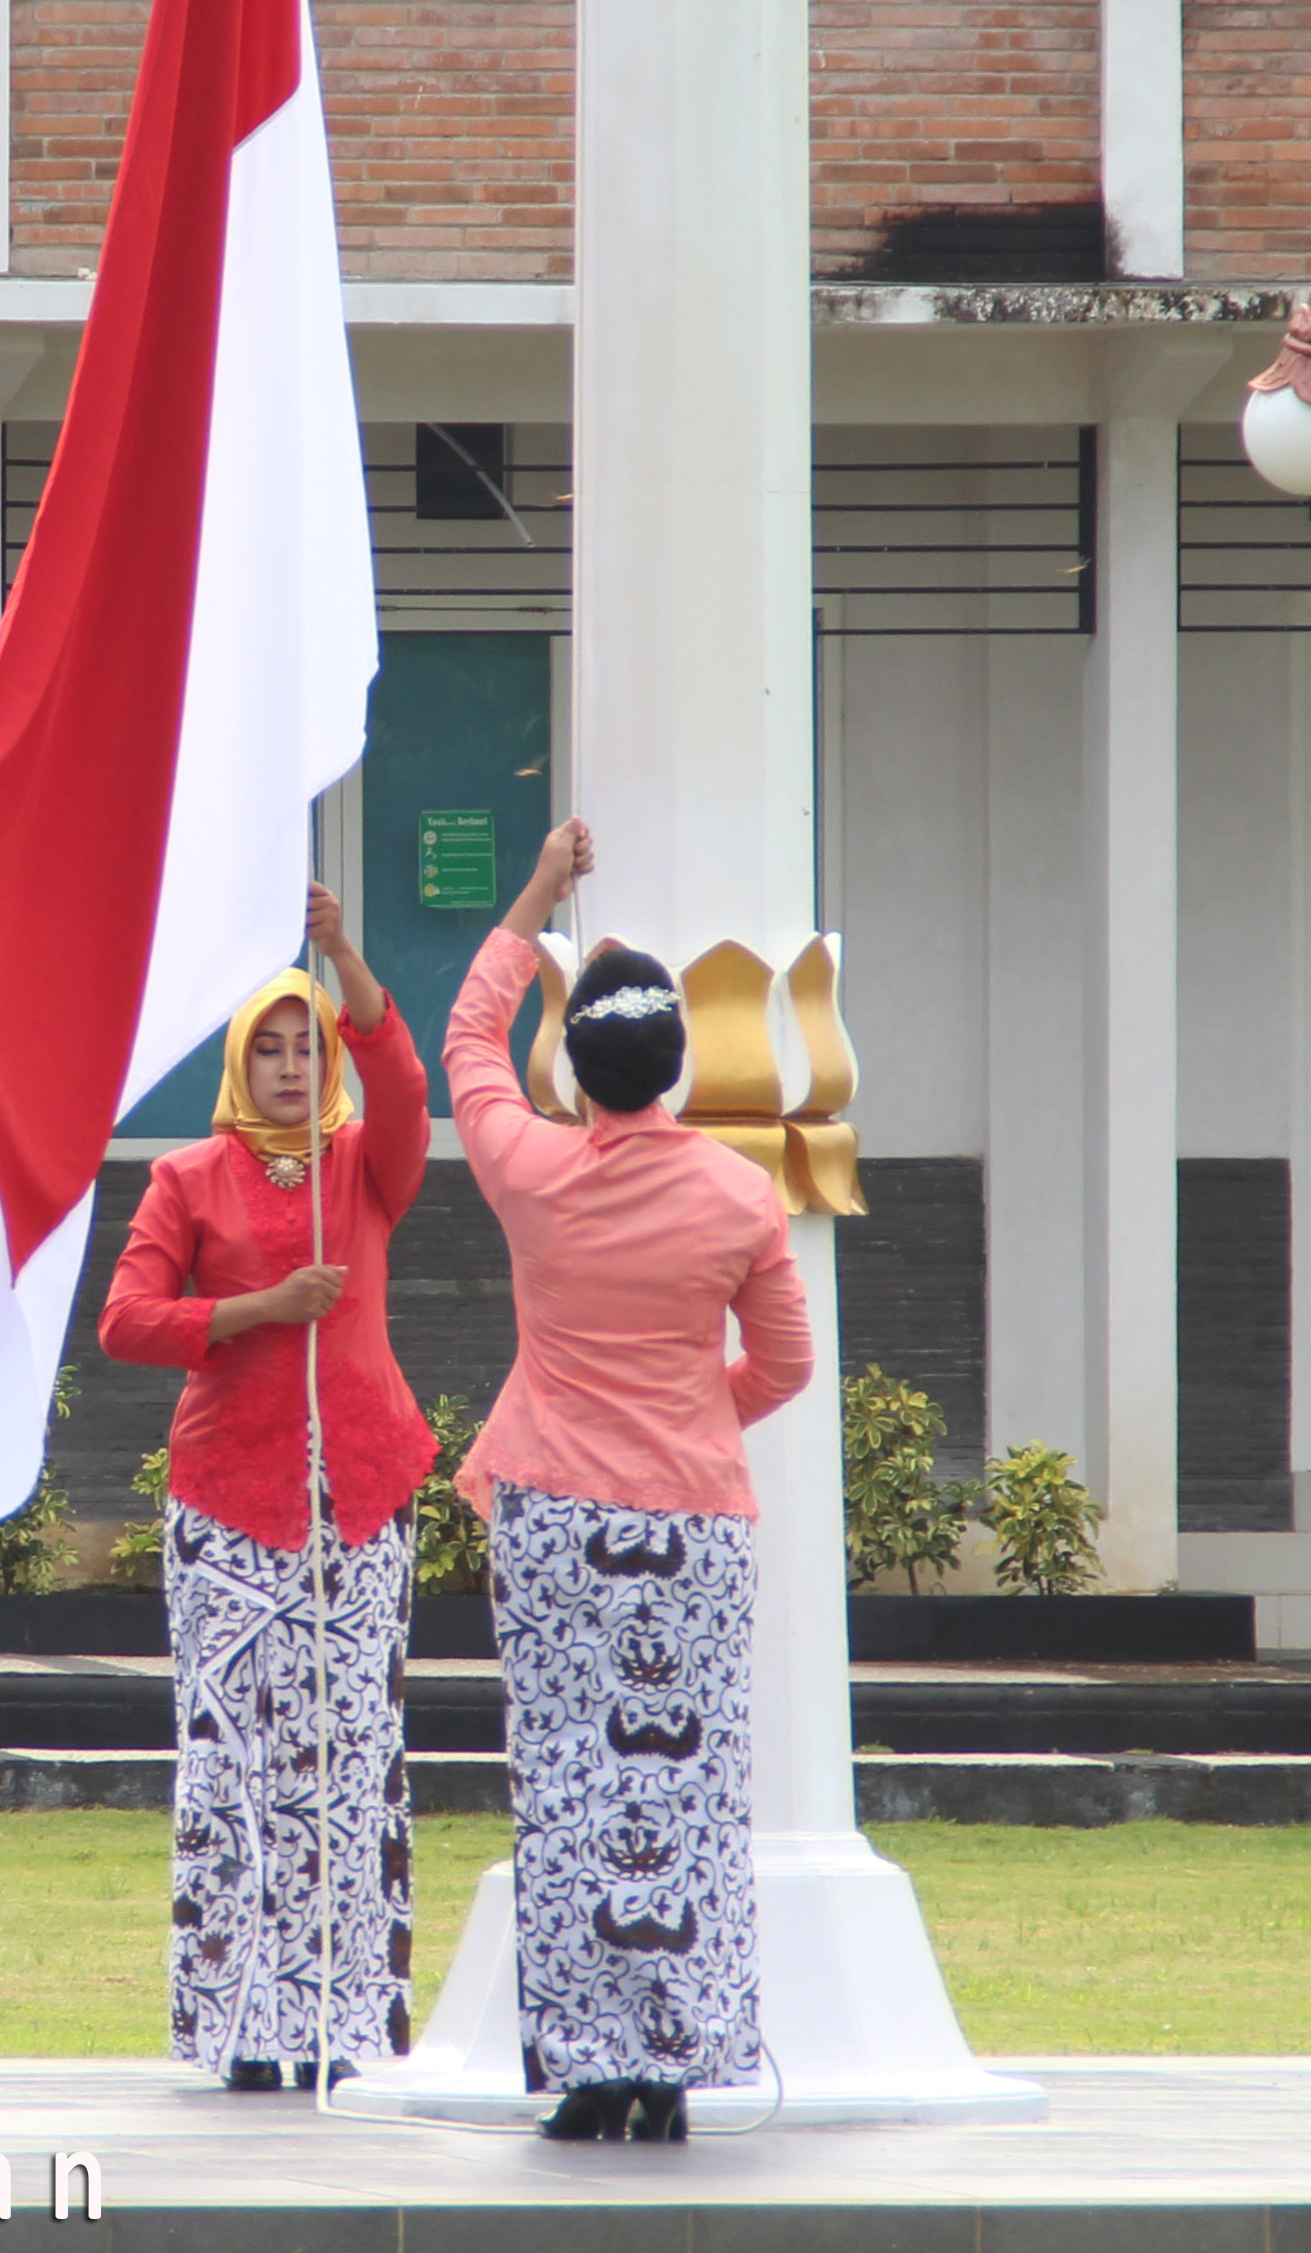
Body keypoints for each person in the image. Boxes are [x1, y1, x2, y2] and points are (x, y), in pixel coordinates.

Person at [442, 817, 815, 2145]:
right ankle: (674, 2067)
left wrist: (538, 895)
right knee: (686, 1788)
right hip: (694, 1521)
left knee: (562, 1782)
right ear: (677, 1062)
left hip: (552, 1515)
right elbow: (784, 1362)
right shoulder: (738, 1194)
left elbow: (467, 1048)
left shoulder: (533, 1172)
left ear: (578, 1069)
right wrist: (689, 1419)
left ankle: (587, 2072)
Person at [99, 884, 439, 2091]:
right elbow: (127, 1321)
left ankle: (346, 2028)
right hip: (229, 1510)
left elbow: (402, 1085)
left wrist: (341, 947)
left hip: (360, 1499)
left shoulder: (366, 1166)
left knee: (352, 1756)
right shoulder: (187, 1176)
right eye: (271, 1048)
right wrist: (254, 1312)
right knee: (240, 1760)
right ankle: (245, 2023)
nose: (294, 1065)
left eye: (309, 1044)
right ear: (241, 1064)